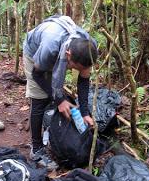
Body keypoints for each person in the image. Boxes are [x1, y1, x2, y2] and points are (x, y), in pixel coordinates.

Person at [23, 15, 98, 170]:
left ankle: (49, 132)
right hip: (35, 53)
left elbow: (84, 80)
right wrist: (59, 100)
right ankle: (36, 149)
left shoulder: (89, 48)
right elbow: (37, 74)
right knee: (40, 99)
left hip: (56, 53)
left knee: (56, 94)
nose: (74, 71)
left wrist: (85, 113)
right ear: (68, 55)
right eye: (74, 67)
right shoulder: (50, 47)